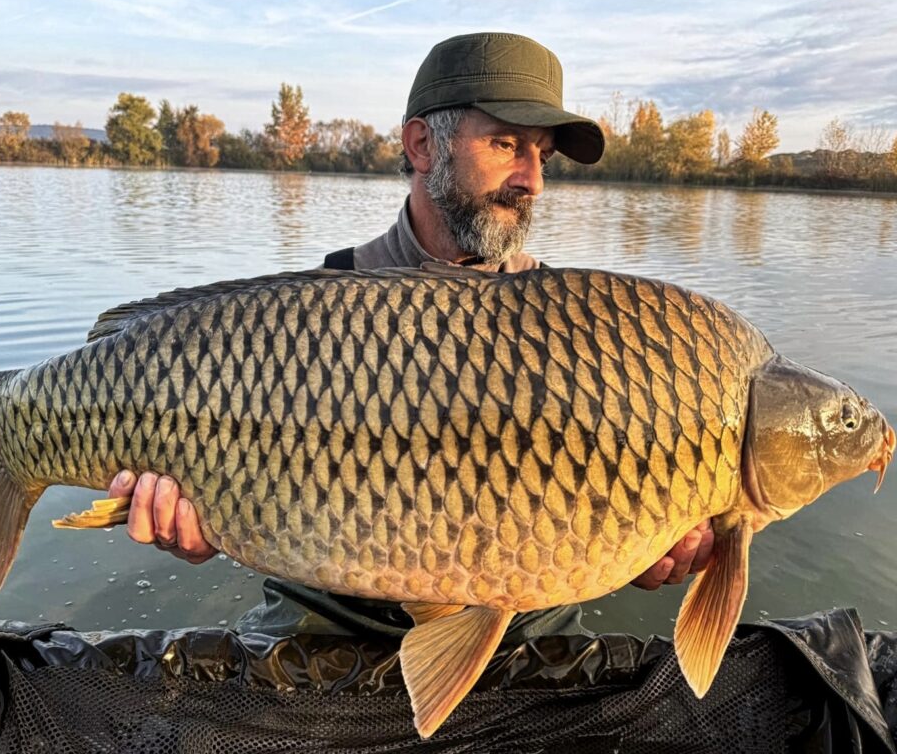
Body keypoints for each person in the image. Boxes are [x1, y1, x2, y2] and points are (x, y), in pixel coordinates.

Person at [107, 32, 714, 638]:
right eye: (506, 144)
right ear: (423, 145)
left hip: (525, 615)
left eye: (543, 155)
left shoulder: (576, 326)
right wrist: (204, 520)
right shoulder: (314, 306)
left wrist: (637, 543)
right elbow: (239, 481)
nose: (533, 180)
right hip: (333, 611)